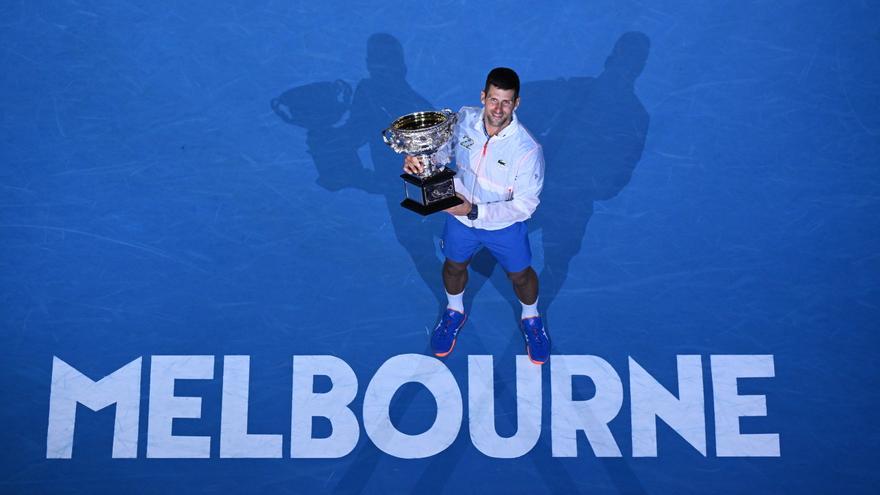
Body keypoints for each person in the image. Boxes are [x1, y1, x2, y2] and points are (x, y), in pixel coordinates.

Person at [403, 67, 550, 365]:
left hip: (503, 225)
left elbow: (526, 206)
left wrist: (475, 210)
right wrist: (423, 160)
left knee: (520, 275)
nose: (498, 109)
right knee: (454, 267)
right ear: (483, 97)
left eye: (506, 102)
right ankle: (454, 310)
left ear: (517, 103)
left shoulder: (527, 150)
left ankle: (531, 318)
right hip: (460, 221)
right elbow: (444, 152)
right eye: (493, 100)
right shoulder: (465, 119)